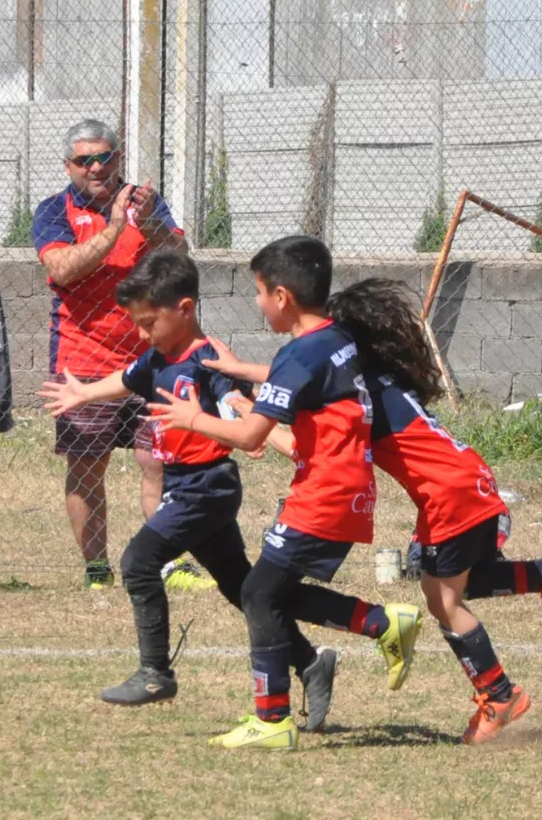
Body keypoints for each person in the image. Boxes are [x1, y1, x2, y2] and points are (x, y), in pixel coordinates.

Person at [148, 236, 423, 750]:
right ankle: (383, 622)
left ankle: (272, 720)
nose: (255, 303)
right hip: (346, 488)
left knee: (257, 594)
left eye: (257, 292)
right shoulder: (336, 337)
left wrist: (195, 418)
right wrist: (242, 375)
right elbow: (299, 391)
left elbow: (250, 435)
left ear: (282, 297)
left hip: (324, 490)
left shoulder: (299, 354)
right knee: (267, 592)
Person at [38, 250, 339, 712]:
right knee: (240, 587)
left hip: (208, 486)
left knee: (139, 562)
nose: (141, 334)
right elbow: (127, 377)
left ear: (185, 308)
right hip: (185, 485)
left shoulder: (206, 361)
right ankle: (309, 660)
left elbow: (236, 405)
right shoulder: (158, 356)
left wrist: (255, 428)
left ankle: (156, 673)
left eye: (148, 322)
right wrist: (85, 392)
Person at [324, 279, 542, 743]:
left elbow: (315, 415)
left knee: (443, 602)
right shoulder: (384, 378)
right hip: (465, 480)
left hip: (450, 494)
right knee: (448, 584)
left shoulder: (361, 388)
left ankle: (501, 695)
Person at [32, 119, 204, 591]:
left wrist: (147, 221)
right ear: (68, 166)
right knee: (88, 465)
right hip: (84, 361)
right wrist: (113, 227)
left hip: (153, 359)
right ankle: (97, 570)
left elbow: (180, 255)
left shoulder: (146, 203)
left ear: (120, 157)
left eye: (105, 157)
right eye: (85, 160)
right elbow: (63, 268)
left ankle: (169, 563)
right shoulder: (54, 210)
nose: (97, 167)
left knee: (160, 459)